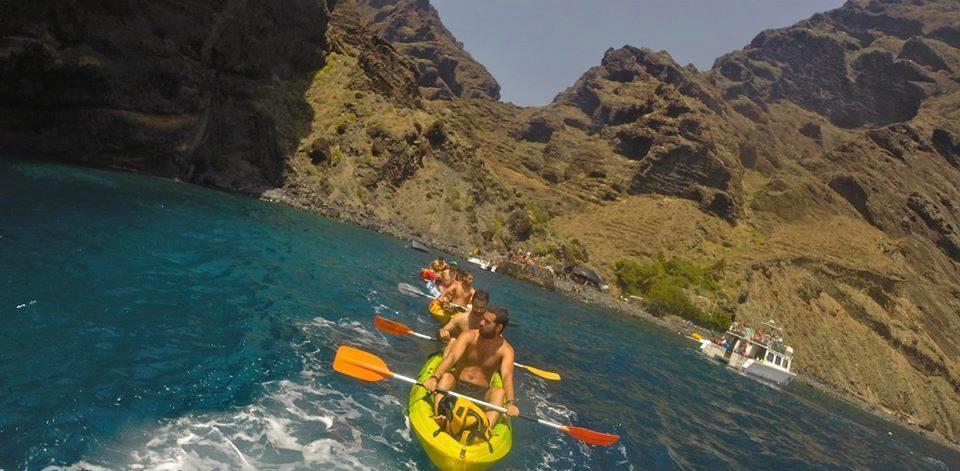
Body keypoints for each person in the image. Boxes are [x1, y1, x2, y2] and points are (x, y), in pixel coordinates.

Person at [424, 308, 519, 430]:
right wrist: (434, 377)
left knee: (499, 392)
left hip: (481, 394)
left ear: (499, 327)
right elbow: (452, 358)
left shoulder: (507, 350)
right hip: (456, 385)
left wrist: (510, 403)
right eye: (483, 319)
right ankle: (440, 417)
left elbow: (507, 376)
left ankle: (483, 431)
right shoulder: (468, 335)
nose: (482, 323)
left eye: (487, 322)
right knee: (446, 377)